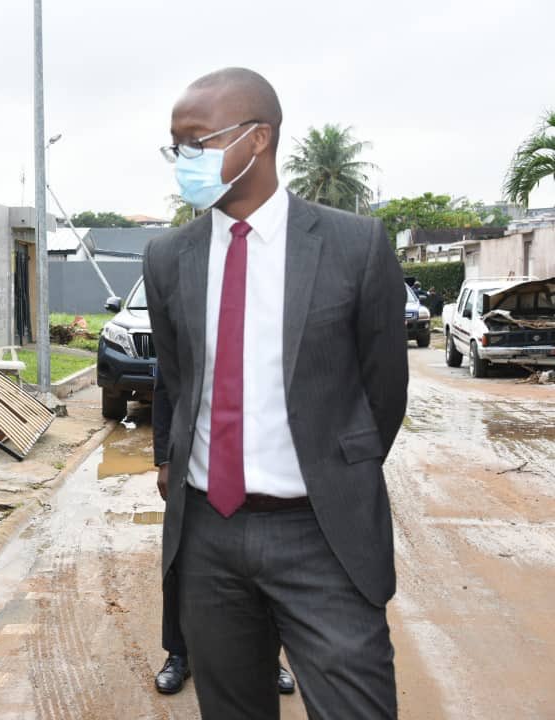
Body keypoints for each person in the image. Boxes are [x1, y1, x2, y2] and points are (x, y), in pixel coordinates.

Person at [144, 68, 407, 719]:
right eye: (175, 144)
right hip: (208, 533)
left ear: (258, 139)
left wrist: (336, 468)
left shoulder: (354, 246)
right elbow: (175, 379)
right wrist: (171, 459)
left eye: (196, 142)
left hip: (321, 532)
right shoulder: (168, 257)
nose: (183, 160)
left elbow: (384, 391)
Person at [151, 382, 295, 697]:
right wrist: (164, 459)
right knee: (182, 561)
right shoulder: (185, 329)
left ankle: (267, 658)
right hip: (194, 461)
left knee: (262, 558)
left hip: (261, 460)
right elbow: (165, 387)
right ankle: (179, 654)